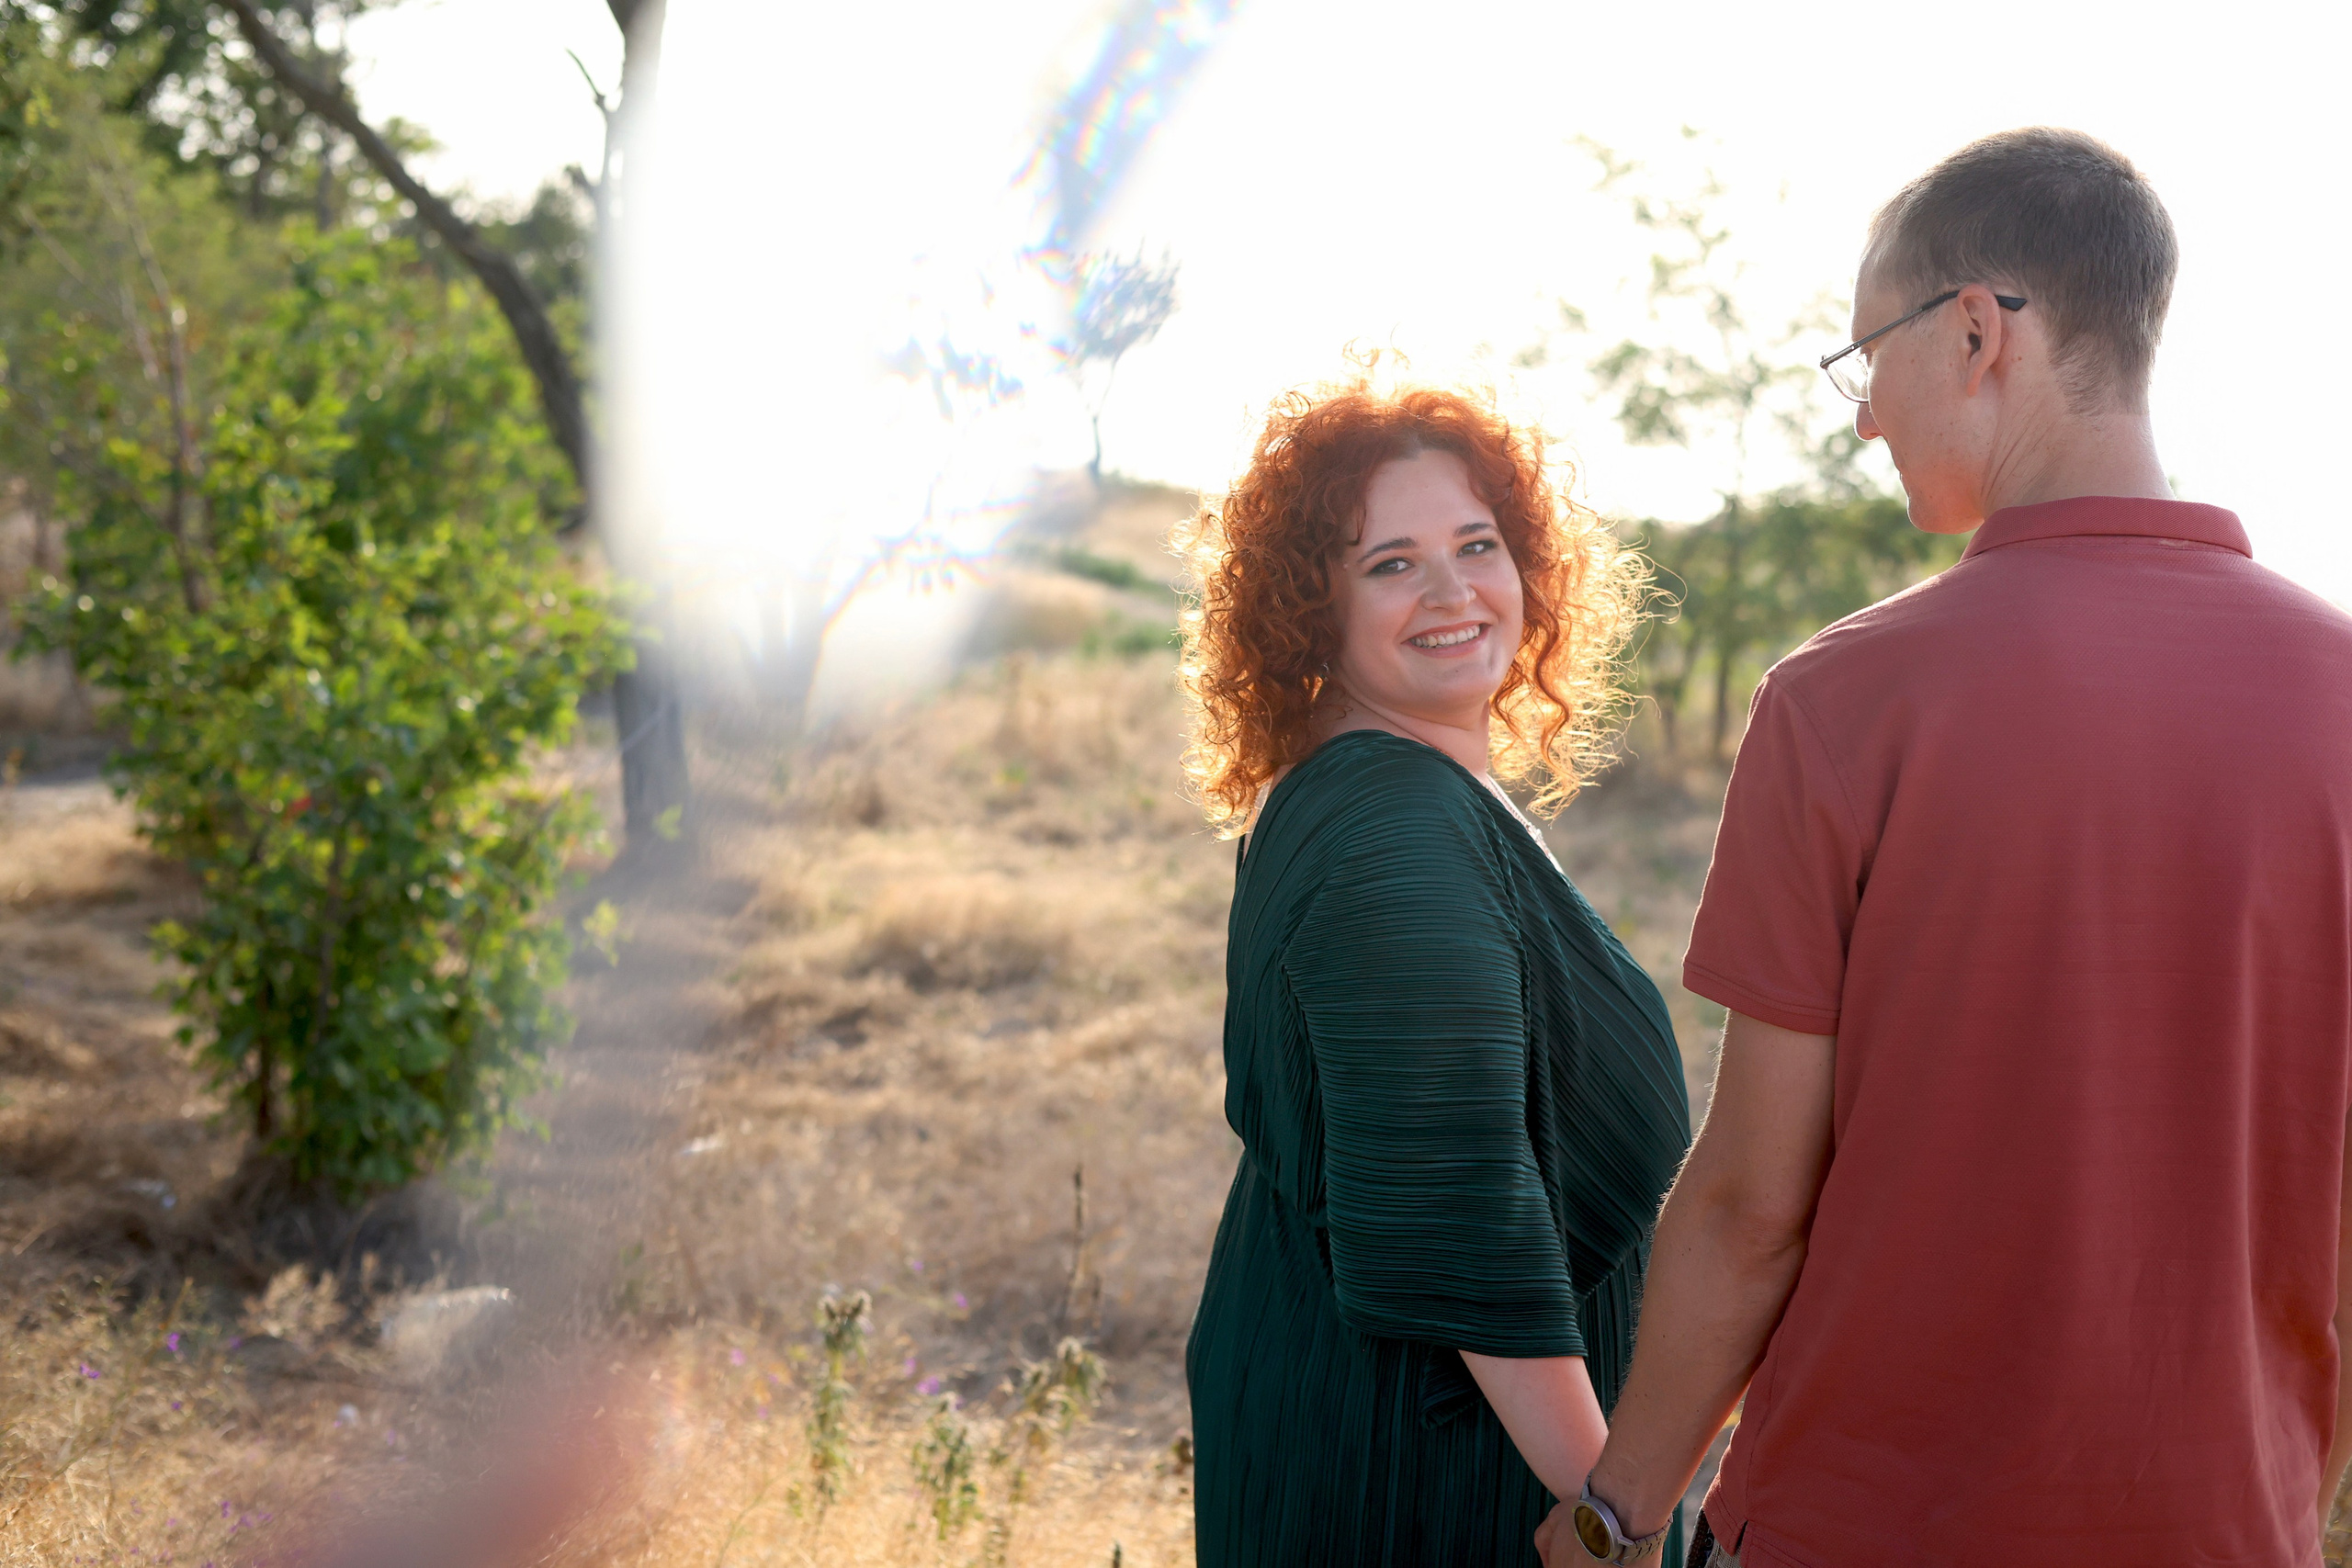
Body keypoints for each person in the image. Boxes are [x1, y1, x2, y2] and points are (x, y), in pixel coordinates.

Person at [1538, 128, 2352, 1568]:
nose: (1861, 419)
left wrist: (1615, 1511)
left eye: (1866, 361)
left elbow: (1749, 1208)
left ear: (1976, 331)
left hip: (1865, 1525)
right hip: (2229, 1527)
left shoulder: (1847, 699)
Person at [1178, 380, 1692, 1564]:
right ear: (1313, 608)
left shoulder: (1398, 789)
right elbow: (1458, 1207)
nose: (1456, 591)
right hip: (1419, 1468)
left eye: (1477, 545)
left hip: (1385, 1418)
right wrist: (1608, 1517)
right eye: (1390, 565)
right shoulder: (1387, 827)